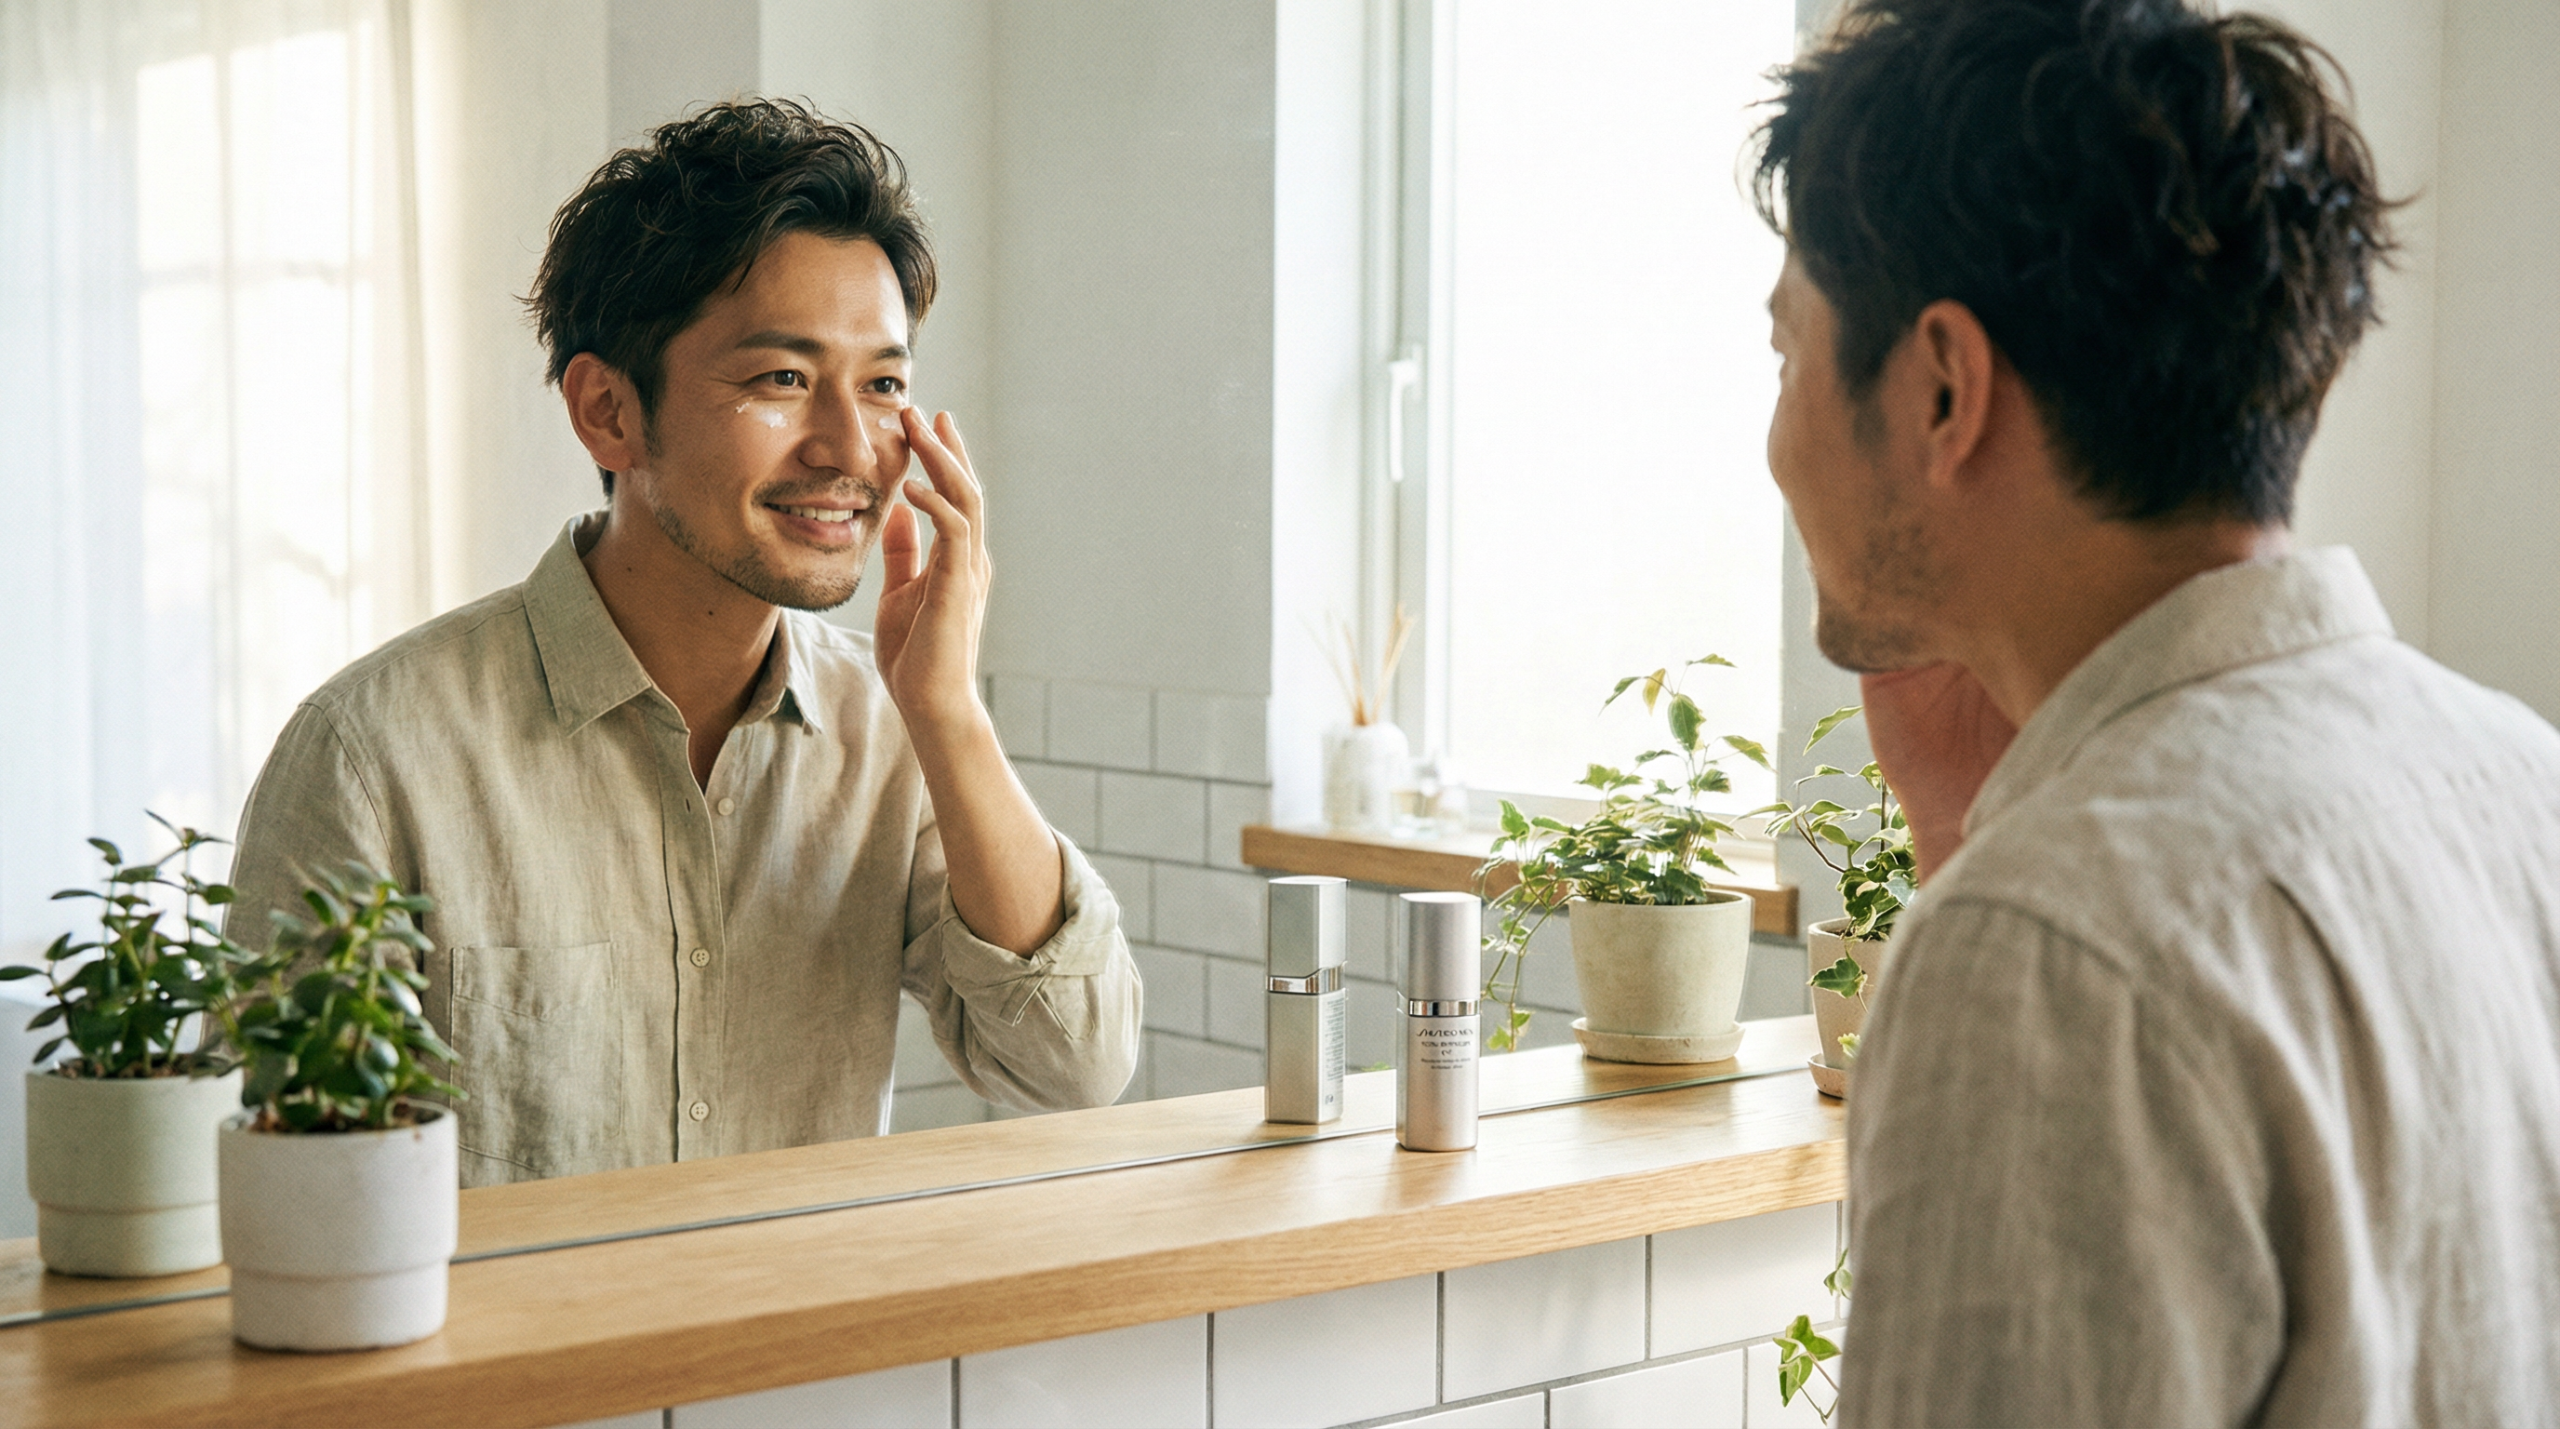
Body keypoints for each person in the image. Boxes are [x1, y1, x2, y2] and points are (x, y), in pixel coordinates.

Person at [1754, 0, 2560, 1421]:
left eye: (1787, 354)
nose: (1774, 442)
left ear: (1942, 388)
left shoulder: (2048, 946)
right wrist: (1970, 834)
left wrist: (2002, 892)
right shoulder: (2519, 779)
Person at [225, 100, 1139, 1187]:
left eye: (884, 385)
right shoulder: (372, 755)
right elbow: (288, 1198)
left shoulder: (896, 729)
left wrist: (948, 711)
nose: (852, 448)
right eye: (782, 379)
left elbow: (1071, 1065)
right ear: (609, 412)